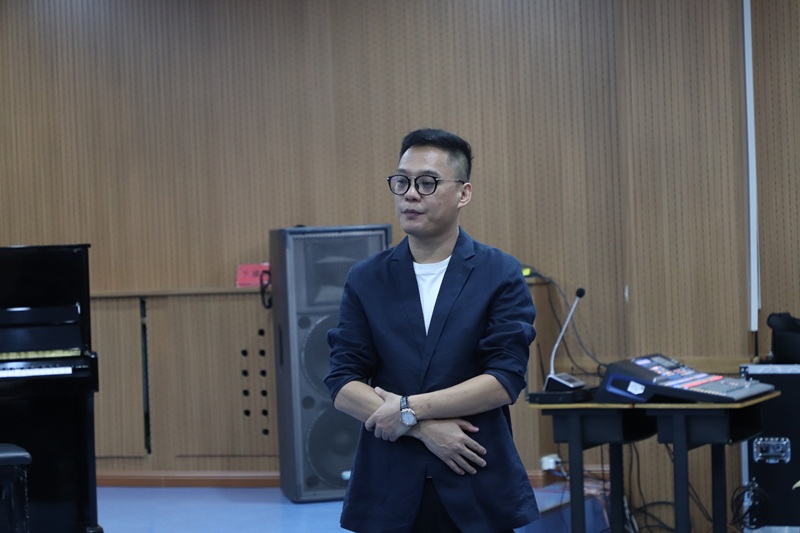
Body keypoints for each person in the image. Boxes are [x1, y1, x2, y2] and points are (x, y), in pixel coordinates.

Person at [325, 128, 539, 533]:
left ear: (463, 193)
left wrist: (408, 409)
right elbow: (342, 381)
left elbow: (504, 379)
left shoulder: (499, 272)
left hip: (473, 473)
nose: (410, 194)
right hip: (389, 482)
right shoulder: (366, 278)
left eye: (427, 183)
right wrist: (420, 427)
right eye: (402, 182)